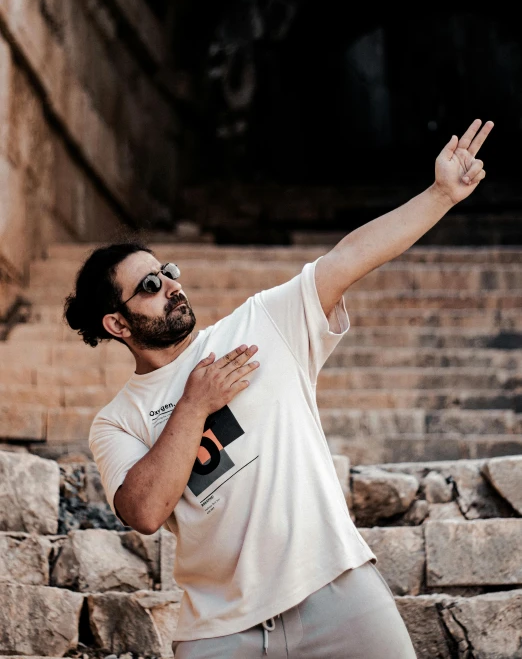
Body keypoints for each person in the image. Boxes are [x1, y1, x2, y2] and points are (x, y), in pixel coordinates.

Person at [65, 119, 492, 658]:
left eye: (167, 271)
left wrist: (440, 196)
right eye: (150, 286)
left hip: (338, 592)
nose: (172, 285)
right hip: (221, 630)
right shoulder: (116, 420)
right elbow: (145, 512)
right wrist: (195, 402)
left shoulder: (261, 323)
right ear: (118, 325)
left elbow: (349, 257)